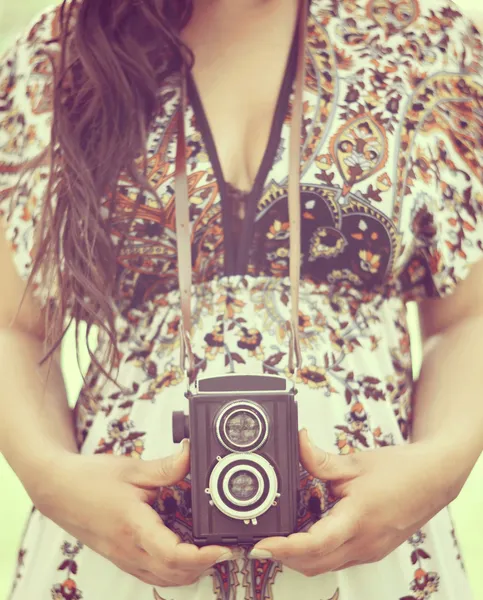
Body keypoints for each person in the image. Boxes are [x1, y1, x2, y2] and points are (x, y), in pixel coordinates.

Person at [0, 0, 482, 598]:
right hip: (117, 560)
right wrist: (53, 480)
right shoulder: (57, 55)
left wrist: (440, 466)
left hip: (371, 560)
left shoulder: (428, 45)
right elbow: (13, 324)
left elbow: (467, 315)